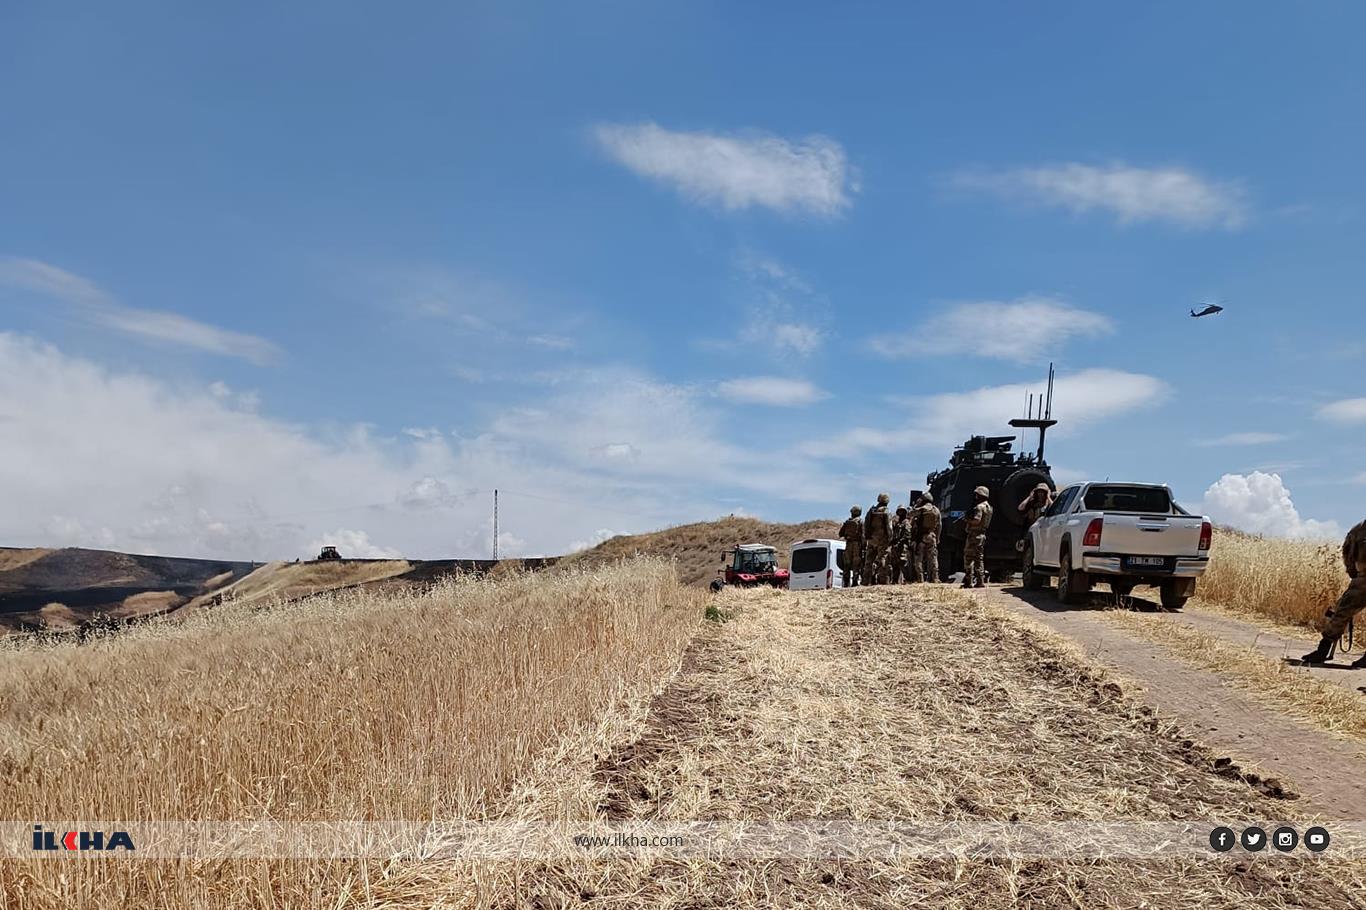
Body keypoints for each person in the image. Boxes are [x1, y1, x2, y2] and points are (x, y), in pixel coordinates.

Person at [1302, 519, 1366, 665]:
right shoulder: (1359, 530)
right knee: (1341, 612)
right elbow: (1348, 553)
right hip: (1362, 580)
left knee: (1341, 612)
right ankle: (1323, 650)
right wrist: (1353, 573)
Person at [962, 485, 993, 589]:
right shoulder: (989, 508)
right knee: (979, 558)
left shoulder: (979, 507)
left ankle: (968, 581)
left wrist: (967, 520)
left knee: (969, 558)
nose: (975, 497)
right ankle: (980, 581)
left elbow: (977, 520)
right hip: (982, 534)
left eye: (977, 494)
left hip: (974, 535)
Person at [863, 493, 893, 585]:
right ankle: (882, 581)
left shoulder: (871, 511)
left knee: (868, 561)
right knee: (883, 559)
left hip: (871, 540)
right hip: (882, 540)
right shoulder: (886, 512)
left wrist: (867, 537)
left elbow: (865, 524)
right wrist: (890, 539)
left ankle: (865, 581)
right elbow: (889, 527)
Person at [912, 493, 941, 583]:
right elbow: (940, 525)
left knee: (918, 558)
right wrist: (938, 537)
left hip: (921, 537)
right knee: (933, 558)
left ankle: (920, 579)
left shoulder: (922, 509)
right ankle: (935, 578)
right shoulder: (936, 510)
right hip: (932, 536)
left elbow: (909, 514)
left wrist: (915, 506)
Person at [838, 506, 864, 587]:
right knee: (856, 564)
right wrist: (863, 546)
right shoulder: (861, 521)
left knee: (847, 564)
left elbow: (840, 533)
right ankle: (855, 582)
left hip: (848, 544)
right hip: (857, 545)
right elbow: (863, 535)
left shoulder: (847, 522)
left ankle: (846, 583)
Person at [889, 505, 912, 584]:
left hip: (902, 546)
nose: (900, 513)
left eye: (902, 511)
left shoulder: (906, 522)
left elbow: (907, 535)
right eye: (899, 511)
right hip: (896, 546)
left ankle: (908, 580)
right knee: (894, 564)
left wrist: (900, 542)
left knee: (903, 564)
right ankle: (895, 581)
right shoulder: (898, 523)